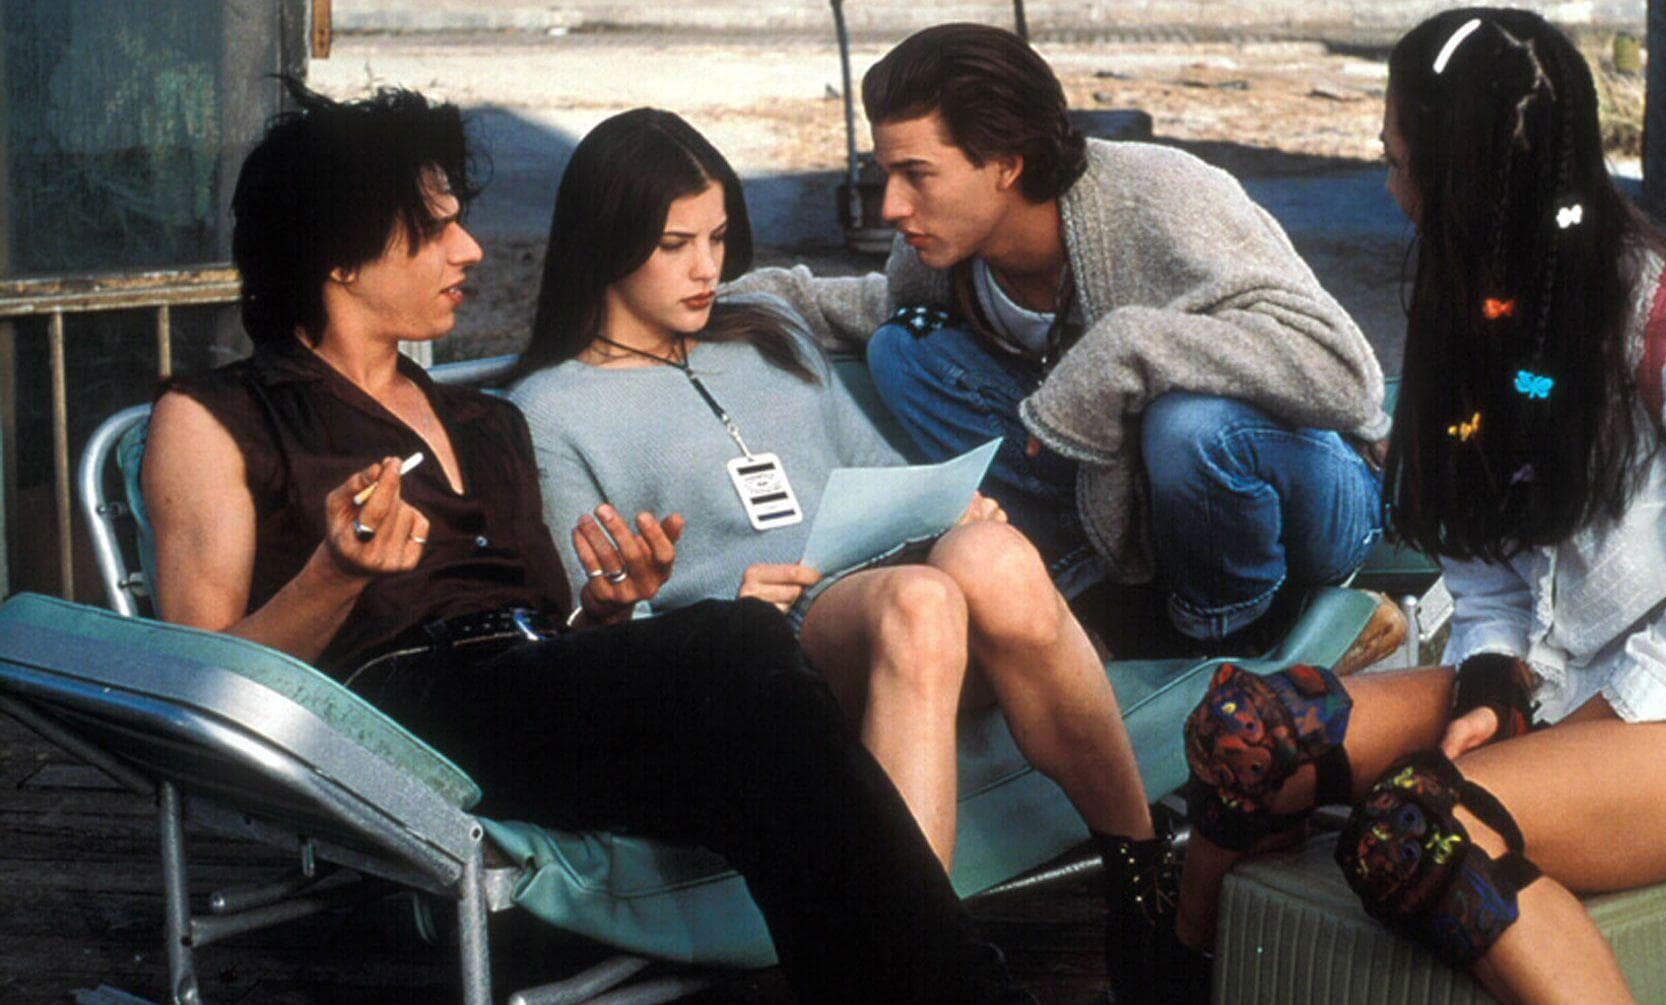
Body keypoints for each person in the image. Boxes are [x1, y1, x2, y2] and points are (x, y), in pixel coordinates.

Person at [140, 82, 1033, 1003]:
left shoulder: (483, 421)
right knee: (743, 659)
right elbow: (198, 680)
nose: (471, 249)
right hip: (393, 713)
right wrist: (334, 575)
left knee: (766, 734)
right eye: (436, 229)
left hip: (527, 695)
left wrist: (608, 608)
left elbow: (552, 635)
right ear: (340, 256)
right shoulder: (220, 417)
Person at [1165, 9, 1666, 1002]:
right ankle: (1178, 973)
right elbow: (1488, 568)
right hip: (1560, 682)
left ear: (1466, 182)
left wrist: (1553, 735)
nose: (1392, 190)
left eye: (1400, 164)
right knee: (1247, 731)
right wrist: (1492, 680)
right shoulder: (1482, 309)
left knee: (1415, 829)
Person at [500, 107, 1176, 997]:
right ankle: (915, 973)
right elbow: (589, 633)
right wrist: (723, 615)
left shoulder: (765, 334)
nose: (708, 269)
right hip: (761, 656)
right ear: (605, 243)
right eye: (674, 245)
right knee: (918, 603)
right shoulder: (549, 409)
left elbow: (878, 468)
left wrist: (958, 504)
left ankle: (1141, 881)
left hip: (888, 599)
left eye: (718, 238)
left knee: (993, 558)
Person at [730, 22, 1400, 655]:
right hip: (1149, 521)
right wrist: (698, 293)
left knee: (1189, 423)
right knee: (904, 349)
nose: (892, 206)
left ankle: (1245, 634)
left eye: (917, 174)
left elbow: (1345, 375)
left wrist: (1125, 348)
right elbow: (871, 307)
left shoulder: (1160, 197)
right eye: (887, 175)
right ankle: (1095, 601)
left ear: (1005, 164)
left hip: (1313, 496)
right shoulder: (939, 249)